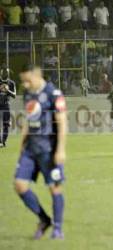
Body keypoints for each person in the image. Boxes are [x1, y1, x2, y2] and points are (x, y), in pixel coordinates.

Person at [14, 65, 67, 239]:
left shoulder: (54, 93)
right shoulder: (28, 94)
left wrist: (60, 150)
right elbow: (28, 121)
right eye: (23, 81)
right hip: (30, 149)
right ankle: (44, 220)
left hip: (49, 150)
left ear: (37, 75)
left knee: (55, 189)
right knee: (20, 185)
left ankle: (57, 229)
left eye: (28, 80)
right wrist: (21, 146)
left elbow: (62, 122)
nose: (25, 84)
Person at [0, 68, 16, 147]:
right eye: (3, 72)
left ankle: (3, 141)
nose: (4, 74)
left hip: (6, 105)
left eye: (6, 72)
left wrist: (7, 90)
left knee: (6, 124)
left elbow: (14, 95)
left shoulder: (11, 83)